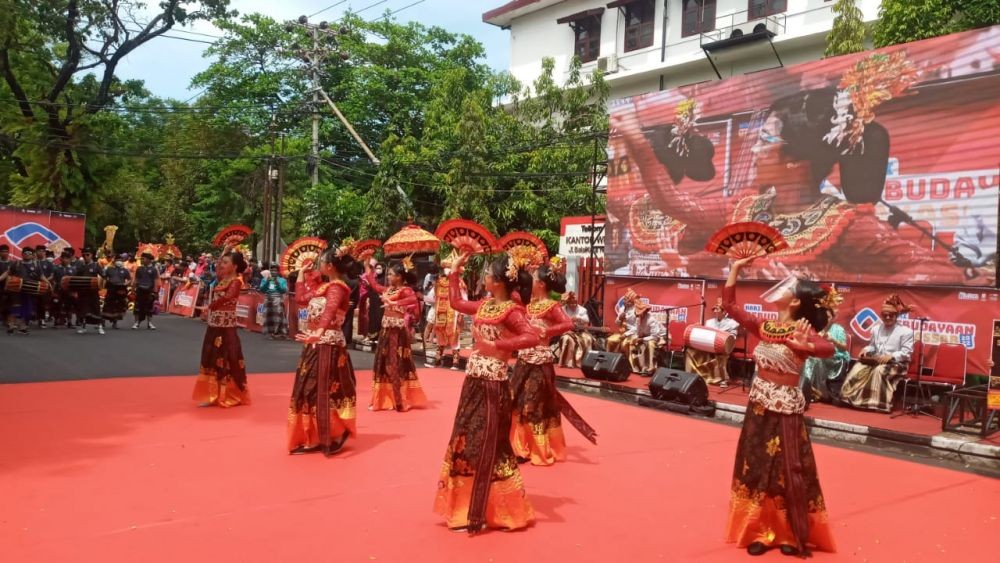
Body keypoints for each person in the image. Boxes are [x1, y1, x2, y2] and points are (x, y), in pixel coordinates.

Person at [722, 257, 837, 557]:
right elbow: (731, 307)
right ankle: (759, 529)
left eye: (788, 287)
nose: (780, 288)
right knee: (757, 466)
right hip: (759, 407)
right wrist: (735, 269)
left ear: (795, 301)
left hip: (786, 408)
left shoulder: (802, 329)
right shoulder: (765, 326)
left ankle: (787, 531)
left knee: (786, 470)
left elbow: (829, 349)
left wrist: (805, 347)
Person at [433, 250, 540, 534]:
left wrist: (498, 347)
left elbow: (532, 336)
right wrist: (454, 272)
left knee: (489, 442)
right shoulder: (485, 305)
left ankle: (491, 510)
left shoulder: (511, 311)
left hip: (494, 383)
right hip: (473, 382)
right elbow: (456, 302)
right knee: (465, 439)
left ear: (498, 281)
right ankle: (469, 507)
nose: (484, 277)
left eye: (487, 274)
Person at [510, 257, 598, 466]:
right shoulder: (529, 304)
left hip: (540, 362)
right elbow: (513, 294)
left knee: (533, 405)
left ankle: (538, 450)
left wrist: (546, 331)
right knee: (517, 402)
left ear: (540, 284)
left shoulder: (551, 306)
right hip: (523, 361)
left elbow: (567, 324)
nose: (530, 281)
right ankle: (519, 447)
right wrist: (519, 270)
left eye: (533, 278)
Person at [287, 247, 358, 455]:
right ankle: (317, 435)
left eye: (320, 262)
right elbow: (300, 298)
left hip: (328, 346)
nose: (317, 265)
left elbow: (330, 310)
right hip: (315, 343)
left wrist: (318, 331)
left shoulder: (338, 287)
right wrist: (300, 275)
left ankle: (330, 434)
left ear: (329, 266)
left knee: (323, 391)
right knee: (307, 389)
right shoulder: (323, 287)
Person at [364, 257, 428, 412]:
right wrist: (367, 266)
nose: (388, 277)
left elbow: (413, 299)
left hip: (397, 333)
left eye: (391, 274)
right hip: (386, 330)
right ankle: (384, 399)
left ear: (399, 276)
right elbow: (374, 285)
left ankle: (399, 399)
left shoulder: (404, 290)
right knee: (382, 361)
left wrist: (395, 303)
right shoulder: (388, 289)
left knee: (396, 362)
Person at [192, 250, 251, 408]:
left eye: (226, 262)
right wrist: (224, 252)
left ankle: (228, 394)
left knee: (226, 358)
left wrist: (209, 307)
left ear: (235, 266)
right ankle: (213, 394)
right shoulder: (223, 278)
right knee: (211, 357)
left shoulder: (236, 281)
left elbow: (228, 297)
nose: (222, 265)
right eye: (222, 262)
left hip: (226, 326)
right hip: (215, 324)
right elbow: (217, 268)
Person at [838, 294, 915, 413]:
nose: (888, 317)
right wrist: (866, 350)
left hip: (898, 364)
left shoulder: (906, 332)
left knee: (879, 371)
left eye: (891, 315)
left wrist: (891, 356)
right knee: (858, 368)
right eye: (885, 315)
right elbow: (872, 346)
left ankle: (878, 404)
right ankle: (849, 399)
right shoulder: (876, 329)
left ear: (896, 316)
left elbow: (907, 353)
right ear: (881, 315)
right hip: (877, 360)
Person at [800, 287, 850, 403]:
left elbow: (844, 348)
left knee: (817, 360)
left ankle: (818, 392)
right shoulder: (817, 328)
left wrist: (833, 340)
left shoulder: (838, 329)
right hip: (821, 356)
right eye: (824, 317)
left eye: (829, 317)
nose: (826, 319)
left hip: (836, 358)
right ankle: (806, 389)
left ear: (833, 318)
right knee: (808, 359)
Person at [686, 298, 740, 387]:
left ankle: (722, 379)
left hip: (723, 348)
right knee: (690, 351)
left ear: (724, 312)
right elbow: (706, 335)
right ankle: (692, 375)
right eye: (714, 309)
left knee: (721, 356)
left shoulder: (732, 323)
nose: (714, 311)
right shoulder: (709, 322)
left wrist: (722, 339)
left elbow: (732, 338)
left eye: (717, 309)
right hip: (708, 347)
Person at [430, 254, 466, 369]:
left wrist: (461, 314)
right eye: (445, 267)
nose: (446, 269)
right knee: (440, 334)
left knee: (454, 335)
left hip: (453, 313)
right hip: (440, 311)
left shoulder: (459, 283)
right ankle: (438, 358)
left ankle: (455, 361)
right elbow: (432, 297)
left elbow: (464, 299)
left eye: (449, 267)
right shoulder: (438, 282)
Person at [626, 300, 667, 376]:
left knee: (650, 343)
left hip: (661, 337)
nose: (638, 315)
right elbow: (638, 332)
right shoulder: (638, 319)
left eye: (640, 313)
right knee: (633, 342)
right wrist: (636, 339)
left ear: (645, 312)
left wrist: (642, 339)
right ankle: (637, 367)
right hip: (647, 336)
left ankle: (651, 368)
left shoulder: (651, 320)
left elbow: (655, 336)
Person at [555, 291, 595, 368]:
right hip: (567, 331)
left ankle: (585, 363)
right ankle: (567, 363)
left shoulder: (582, 309)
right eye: (571, 303)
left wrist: (579, 318)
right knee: (567, 339)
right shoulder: (563, 309)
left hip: (580, 331)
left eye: (575, 303)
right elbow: (558, 321)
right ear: (567, 303)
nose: (573, 305)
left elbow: (587, 320)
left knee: (588, 339)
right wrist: (569, 321)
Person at [75, 248, 105, 335]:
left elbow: (103, 276)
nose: (85, 256)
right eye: (83, 255)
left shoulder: (96, 265)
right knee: (83, 310)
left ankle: (100, 327)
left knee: (96, 309)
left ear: (91, 255)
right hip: (83, 292)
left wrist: (100, 284)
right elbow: (76, 278)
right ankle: (83, 327)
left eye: (87, 254)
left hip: (93, 291)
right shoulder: (80, 266)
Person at [259, 264, 289, 339]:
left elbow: (284, 290)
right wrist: (267, 282)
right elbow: (262, 289)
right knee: (268, 317)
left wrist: (278, 284)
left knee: (278, 317)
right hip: (267, 299)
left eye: (275, 270)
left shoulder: (282, 280)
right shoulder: (265, 279)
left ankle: (278, 332)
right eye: (272, 270)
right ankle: (271, 333)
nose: (273, 272)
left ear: (278, 272)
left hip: (277, 300)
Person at [606, 289, 638, 356]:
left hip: (633, 334)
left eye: (626, 299)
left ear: (631, 301)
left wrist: (626, 334)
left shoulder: (637, 311)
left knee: (625, 344)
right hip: (622, 333)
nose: (624, 301)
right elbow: (617, 323)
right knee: (610, 340)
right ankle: (610, 360)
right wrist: (620, 318)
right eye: (624, 299)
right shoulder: (622, 308)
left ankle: (628, 363)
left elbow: (638, 328)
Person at [103, 254, 131, 329]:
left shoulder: (125, 270)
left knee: (118, 306)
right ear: (114, 261)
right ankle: (103, 322)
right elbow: (104, 277)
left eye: (120, 261)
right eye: (117, 260)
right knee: (107, 305)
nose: (119, 262)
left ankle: (115, 323)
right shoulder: (109, 269)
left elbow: (129, 279)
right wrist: (106, 283)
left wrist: (125, 284)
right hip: (111, 289)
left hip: (120, 289)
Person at [133, 252, 160, 330]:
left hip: (149, 290)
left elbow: (155, 281)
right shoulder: (139, 269)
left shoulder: (154, 269)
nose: (142, 260)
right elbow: (136, 279)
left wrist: (155, 291)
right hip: (140, 290)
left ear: (148, 260)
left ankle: (150, 323)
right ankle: (136, 323)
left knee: (149, 307)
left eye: (143, 259)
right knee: (137, 307)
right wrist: (132, 289)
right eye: (141, 258)